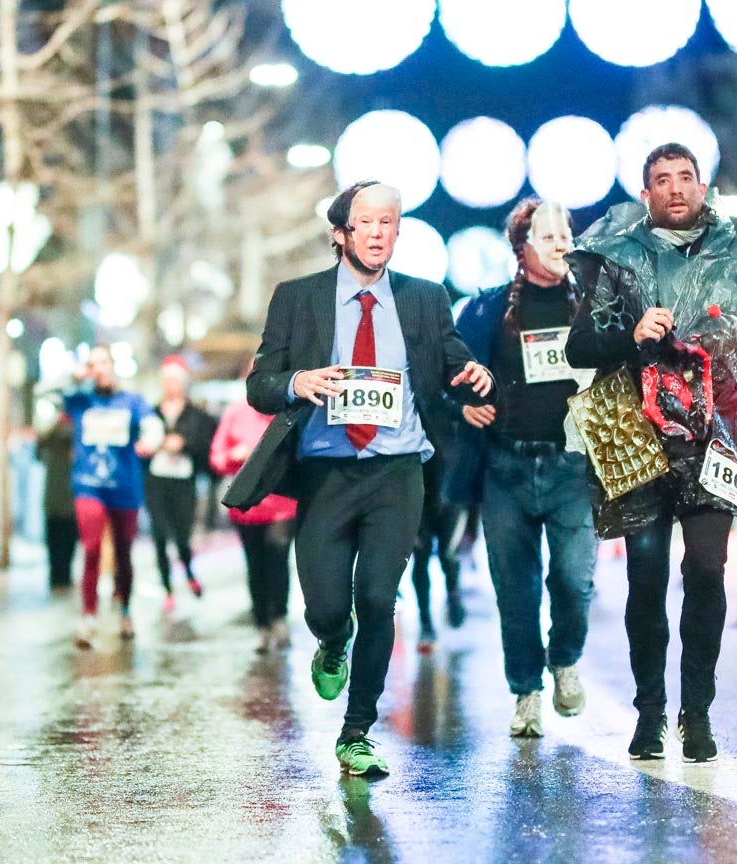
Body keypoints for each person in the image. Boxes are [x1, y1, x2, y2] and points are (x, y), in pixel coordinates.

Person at [223, 180, 494, 778]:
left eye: (389, 223)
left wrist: (475, 374)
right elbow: (259, 383)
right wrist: (298, 383)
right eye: (366, 223)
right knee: (327, 605)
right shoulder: (299, 297)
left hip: (398, 471)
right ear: (341, 233)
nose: (378, 233)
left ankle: (356, 732)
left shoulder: (424, 299)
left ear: (399, 232)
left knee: (378, 598)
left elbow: (452, 363)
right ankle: (329, 639)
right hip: (325, 473)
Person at [564, 143, 737, 763]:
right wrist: (630, 334)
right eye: (661, 179)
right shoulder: (616, 260)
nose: (674, 188)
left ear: (703, 187)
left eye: (685, 177)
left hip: (714, 433)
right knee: (645, 578)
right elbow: (578, 347)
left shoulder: (735, 258)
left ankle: (697, 712)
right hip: (639, 437)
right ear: (646, 195)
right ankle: (650, 713)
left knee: (705, 570)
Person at [449, 197, 597, 737]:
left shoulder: (594, 303)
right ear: (521, 247)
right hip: (505, 468)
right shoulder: (485, 309)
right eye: (548, 235)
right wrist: (462, 404)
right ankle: (526, 692)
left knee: (574, 581)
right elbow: (449, 376)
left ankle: (565, 657)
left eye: (566, 234)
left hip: (574, 468)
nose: (561, 244)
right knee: (516, 590)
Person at [62, 344, 163, 647]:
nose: (100, 369)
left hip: (124, 488)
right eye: (93, 364)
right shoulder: (80, 400)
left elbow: (152, 424)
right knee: (91, 548)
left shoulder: (131, 401)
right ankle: (88, 616)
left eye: (104, 362)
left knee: (123, 553)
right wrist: (73, 376)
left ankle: (125, 609)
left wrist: (150, 441)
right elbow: (48, 391)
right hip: (89, 486)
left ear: (113, 366)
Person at [211, 359, 298, 653]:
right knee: (255, 564)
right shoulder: (235, 413)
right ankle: (261, 624)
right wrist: (237, 456)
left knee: (278, 554)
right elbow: (217, 458)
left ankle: (280, 618)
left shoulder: (288, 411)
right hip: (247, 505)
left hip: (282, 502)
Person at [142, 355, 217, 612]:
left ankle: (188, 571)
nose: (170, 385)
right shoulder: (150, 413)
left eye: (175, 380)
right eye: (166, 380)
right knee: (160, 535)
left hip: (184, 482)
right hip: (156, 481)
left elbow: (206, 446)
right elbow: (140, 445)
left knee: (182, 537)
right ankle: (167, 589)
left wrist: (183, 444)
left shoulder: (196, 415)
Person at [411, 450, 466, 653]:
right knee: (421, 556)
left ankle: (454, 595)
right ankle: (425, 622)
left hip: (452, 494)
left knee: (448, 555)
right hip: (419, 495)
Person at [35, 410, 78, 589]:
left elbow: (38, 452)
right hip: (66, 498)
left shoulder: (52, 436)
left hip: (56, 499)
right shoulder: (71, 436)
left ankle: (57, 576)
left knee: (55, 541)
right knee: (65, 541)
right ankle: (62, 576)